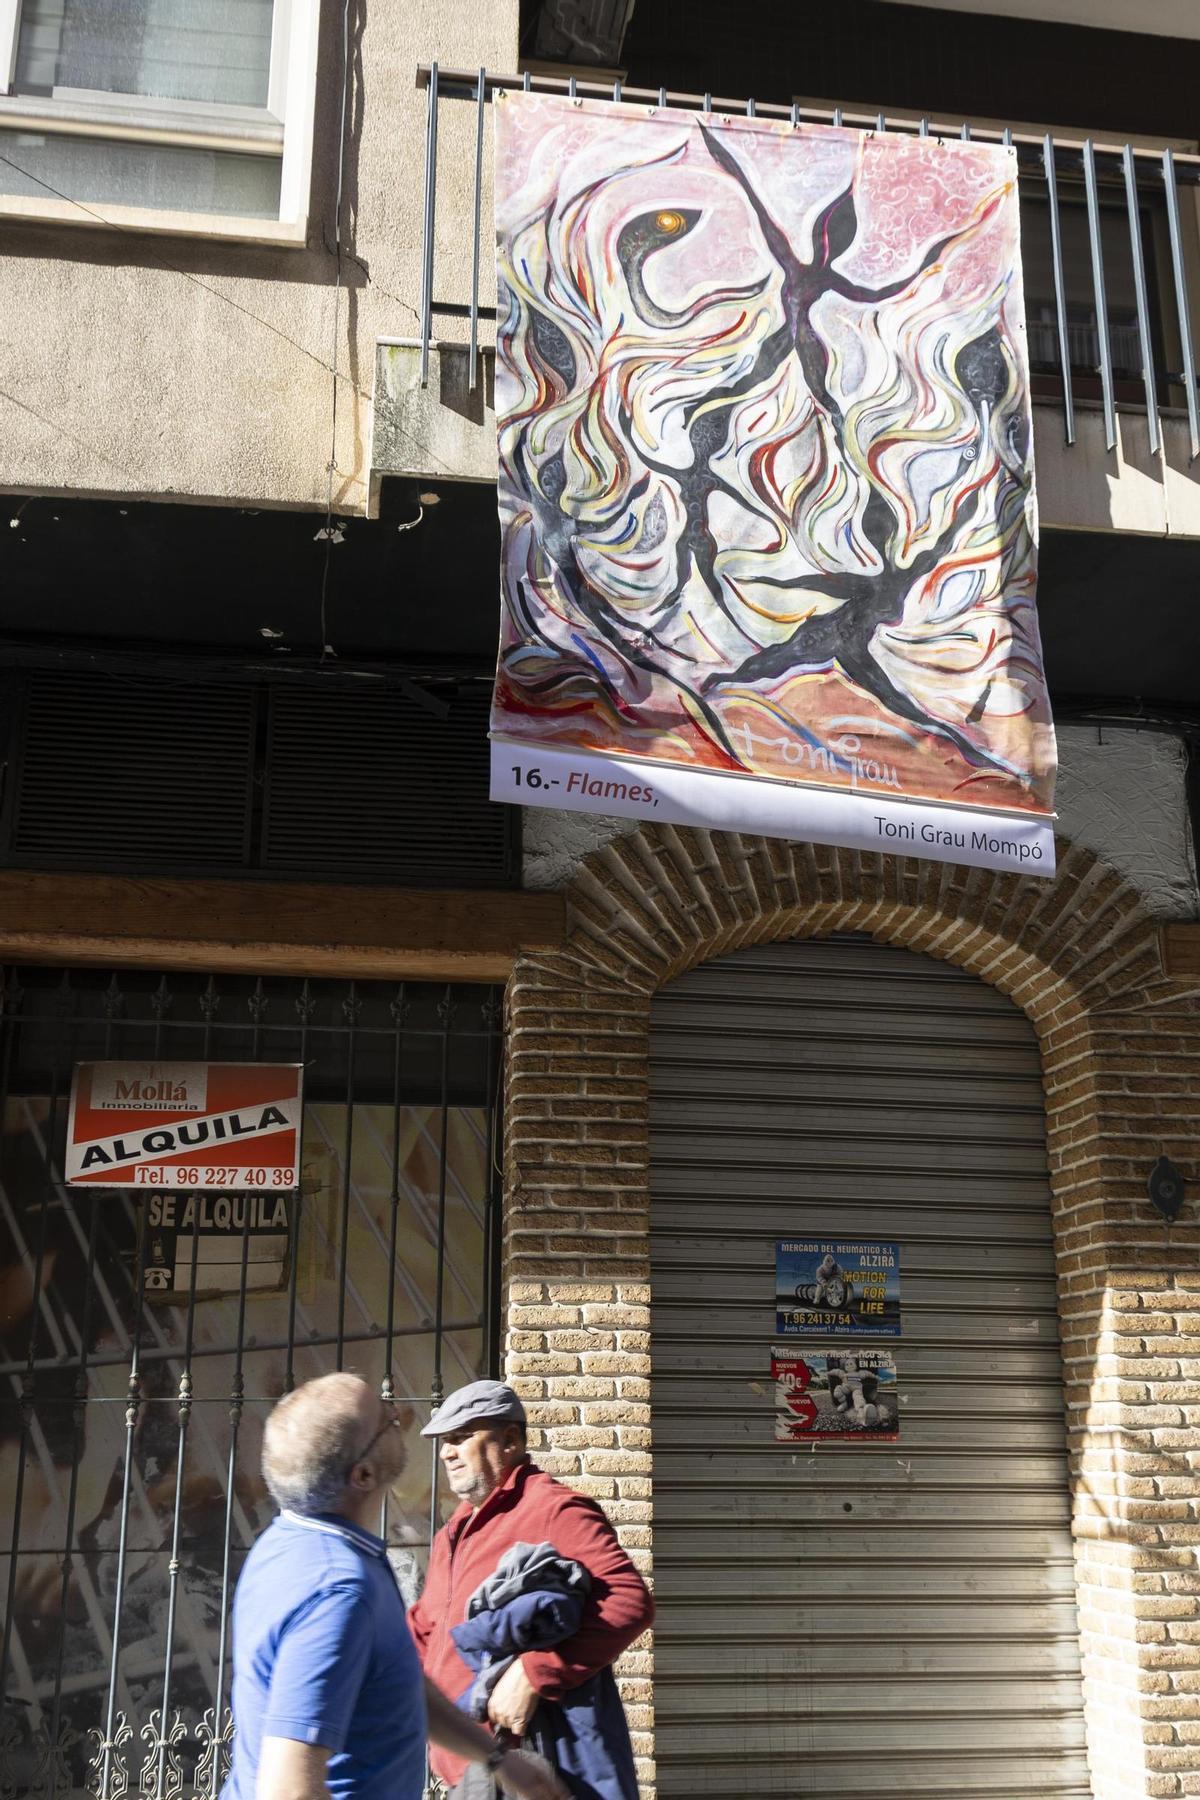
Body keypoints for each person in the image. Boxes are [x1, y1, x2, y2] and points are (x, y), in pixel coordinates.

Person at [222, 1372, 569, 1800]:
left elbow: (396, 1678)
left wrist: (498, 1759)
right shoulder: (337, 1593)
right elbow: (288, 1791)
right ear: (363, 1475)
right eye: (385, 1419)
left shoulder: (290, 1544)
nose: (398, 1415)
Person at [409, 1380, 654, 1800]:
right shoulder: (451, 1533)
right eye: (444, 1441)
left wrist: (535, 1671)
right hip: (464, 1777)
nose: (447, 1451)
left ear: (510, 1440)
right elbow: (424, 1633)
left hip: (532, 1772)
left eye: (462, 1436)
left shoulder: (553, 1509)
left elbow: (628, 1600)